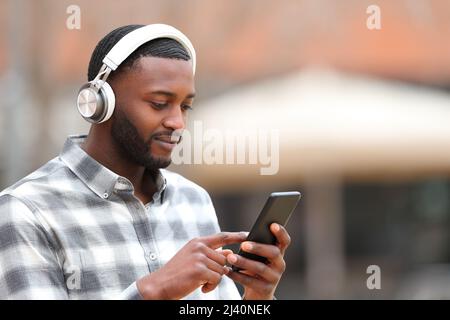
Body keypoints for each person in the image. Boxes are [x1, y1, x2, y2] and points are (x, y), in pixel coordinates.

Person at [0, 24, 291, 300]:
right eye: (159, 103)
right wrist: (153, 291)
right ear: (100, 103)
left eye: (185, 106)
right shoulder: (26, 211)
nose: (177, 122)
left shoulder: (193, 200)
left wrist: (257, 296)